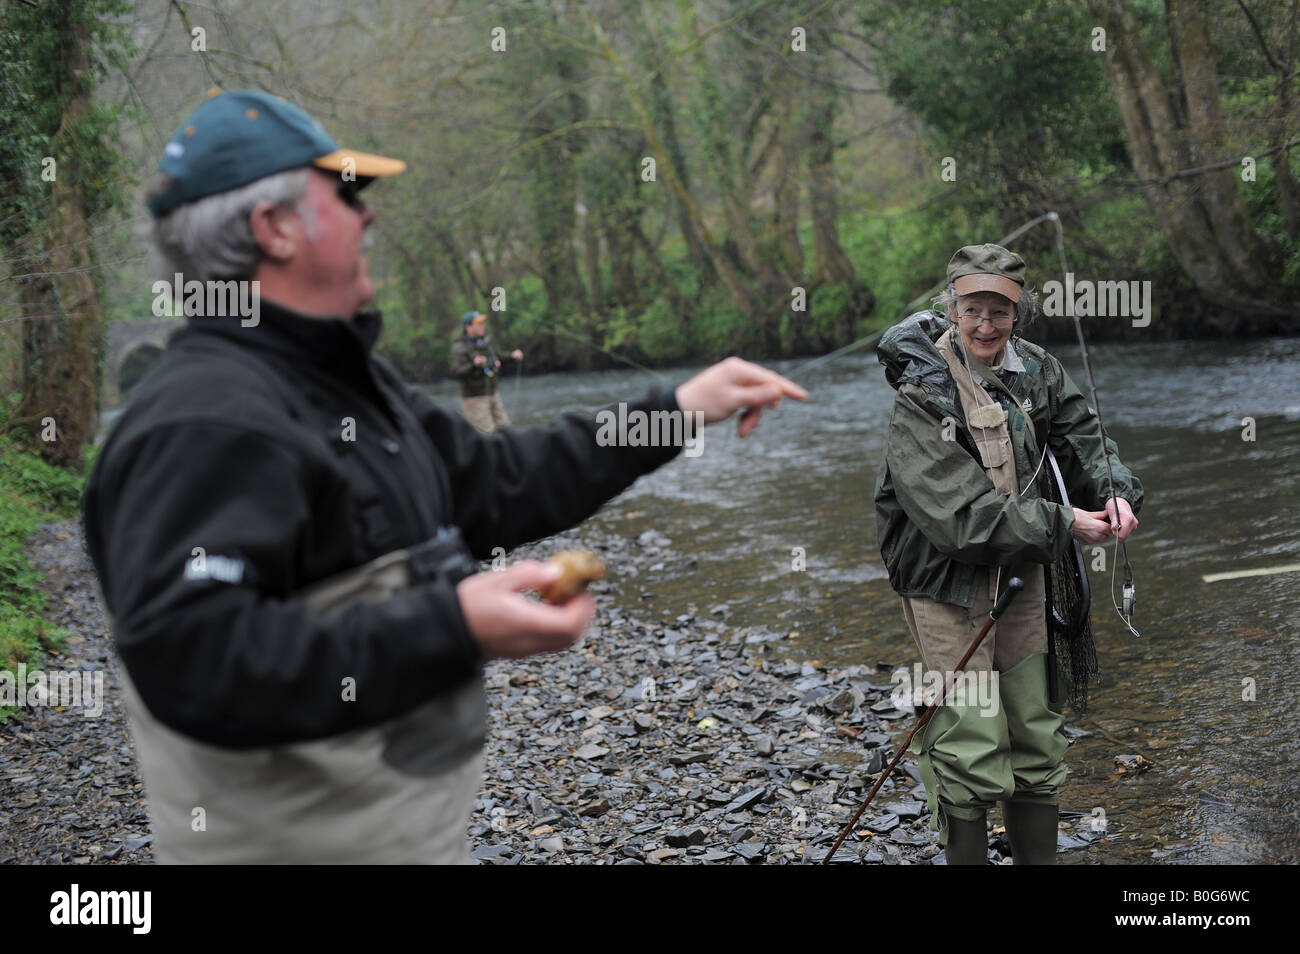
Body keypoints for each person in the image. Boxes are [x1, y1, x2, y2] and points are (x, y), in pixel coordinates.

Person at [82, 88, 806, 864]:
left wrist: (681, 408)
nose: (370, 215)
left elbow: (498, 481)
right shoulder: (205, 420)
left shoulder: (345, 380)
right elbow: (193, 656)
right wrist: (453, 625)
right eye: (349, 191)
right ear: (275, 228)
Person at [873, 243, 1143, 865]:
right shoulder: (921, 393)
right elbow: (960, 519)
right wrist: (1063, 522)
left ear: (1019, 311)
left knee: (1035, 733)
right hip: (946, 581)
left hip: (1023, 572)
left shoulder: (1038, 370)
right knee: (972, 741)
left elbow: (1083, 436)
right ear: (951, 307)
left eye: (1000, 311)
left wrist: (1111, 492)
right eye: (973, 310)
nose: (986, 326)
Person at [450, 310, 521, 432]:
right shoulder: (459, 348)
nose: (483, 326)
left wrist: (512, 356)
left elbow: (498, 357)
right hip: (474, 399)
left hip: (493, 393)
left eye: (483, 323)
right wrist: (474, 365)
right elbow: (456, 372)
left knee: (507, 431)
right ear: (468, 327)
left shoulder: (486, 343)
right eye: (479, 323)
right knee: (487, 435)